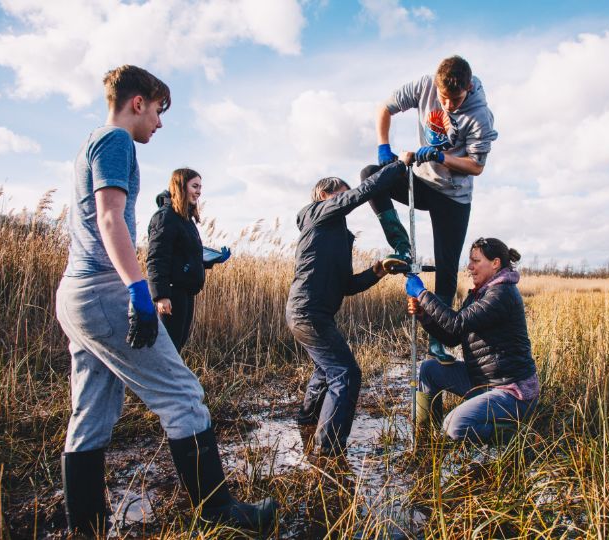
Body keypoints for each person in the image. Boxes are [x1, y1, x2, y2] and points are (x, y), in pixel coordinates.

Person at [54, 65, 274, 536]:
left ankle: (86, 529)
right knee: (184, 396)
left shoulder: (90, 141)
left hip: (74, 293)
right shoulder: (116, 141)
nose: (159, 121)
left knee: (90, 414)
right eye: (158, 110)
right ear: (138, 102)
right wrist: (139, 292)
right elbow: (111, 219)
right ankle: (221, 517)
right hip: (102, 288)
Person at [361, 55, 498, 363]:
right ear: (436, 84)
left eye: (456, 99)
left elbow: (476, 166)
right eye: (444, 99)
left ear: (468, 87)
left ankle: (439, 341)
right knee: (371, 175)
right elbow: (385, 108)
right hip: (421, 182)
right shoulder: (424, 86)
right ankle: (401, 245)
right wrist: (384, 146)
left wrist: (439, 156)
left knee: (447, 267)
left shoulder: (479, 115)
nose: (449, 105)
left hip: (453, 196)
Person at [286, 158, 408, 457]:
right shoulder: (316, 214)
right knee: (346, 373)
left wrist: (377, 271)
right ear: (324, 195)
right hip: (308, 312)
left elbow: (347, 286)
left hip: (312, 314)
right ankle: (327, 450)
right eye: (342, 193)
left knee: (327, 370)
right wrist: (398, 166)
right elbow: (362, 193)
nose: (348, 198)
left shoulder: (336, 236)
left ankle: (307, 420)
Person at [405, 237, 539, 444]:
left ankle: (517, 436)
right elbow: (453, 337)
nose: (469, 267)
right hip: (482, 382)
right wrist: (424, 316)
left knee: (455, 426)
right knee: (430, 370)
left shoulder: (501, 294)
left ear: (495, 263)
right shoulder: (479, 294)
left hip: (510, 393)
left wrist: (422, 293)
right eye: (470, 261)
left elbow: (456, 323)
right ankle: (426, 440)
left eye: (475, 261)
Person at [147, 168, 230, 352]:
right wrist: (161, 296)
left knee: (177, 344)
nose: (199, 191)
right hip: (172, 292)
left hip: (186, 291)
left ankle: (171, 379)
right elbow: (157, 258)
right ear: (180, 186)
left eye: (200, 187)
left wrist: (212, 260)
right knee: (168, 347)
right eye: (195, 186)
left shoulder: (185, 218)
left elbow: (187, 256)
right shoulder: (165, 217)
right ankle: (165, 380)